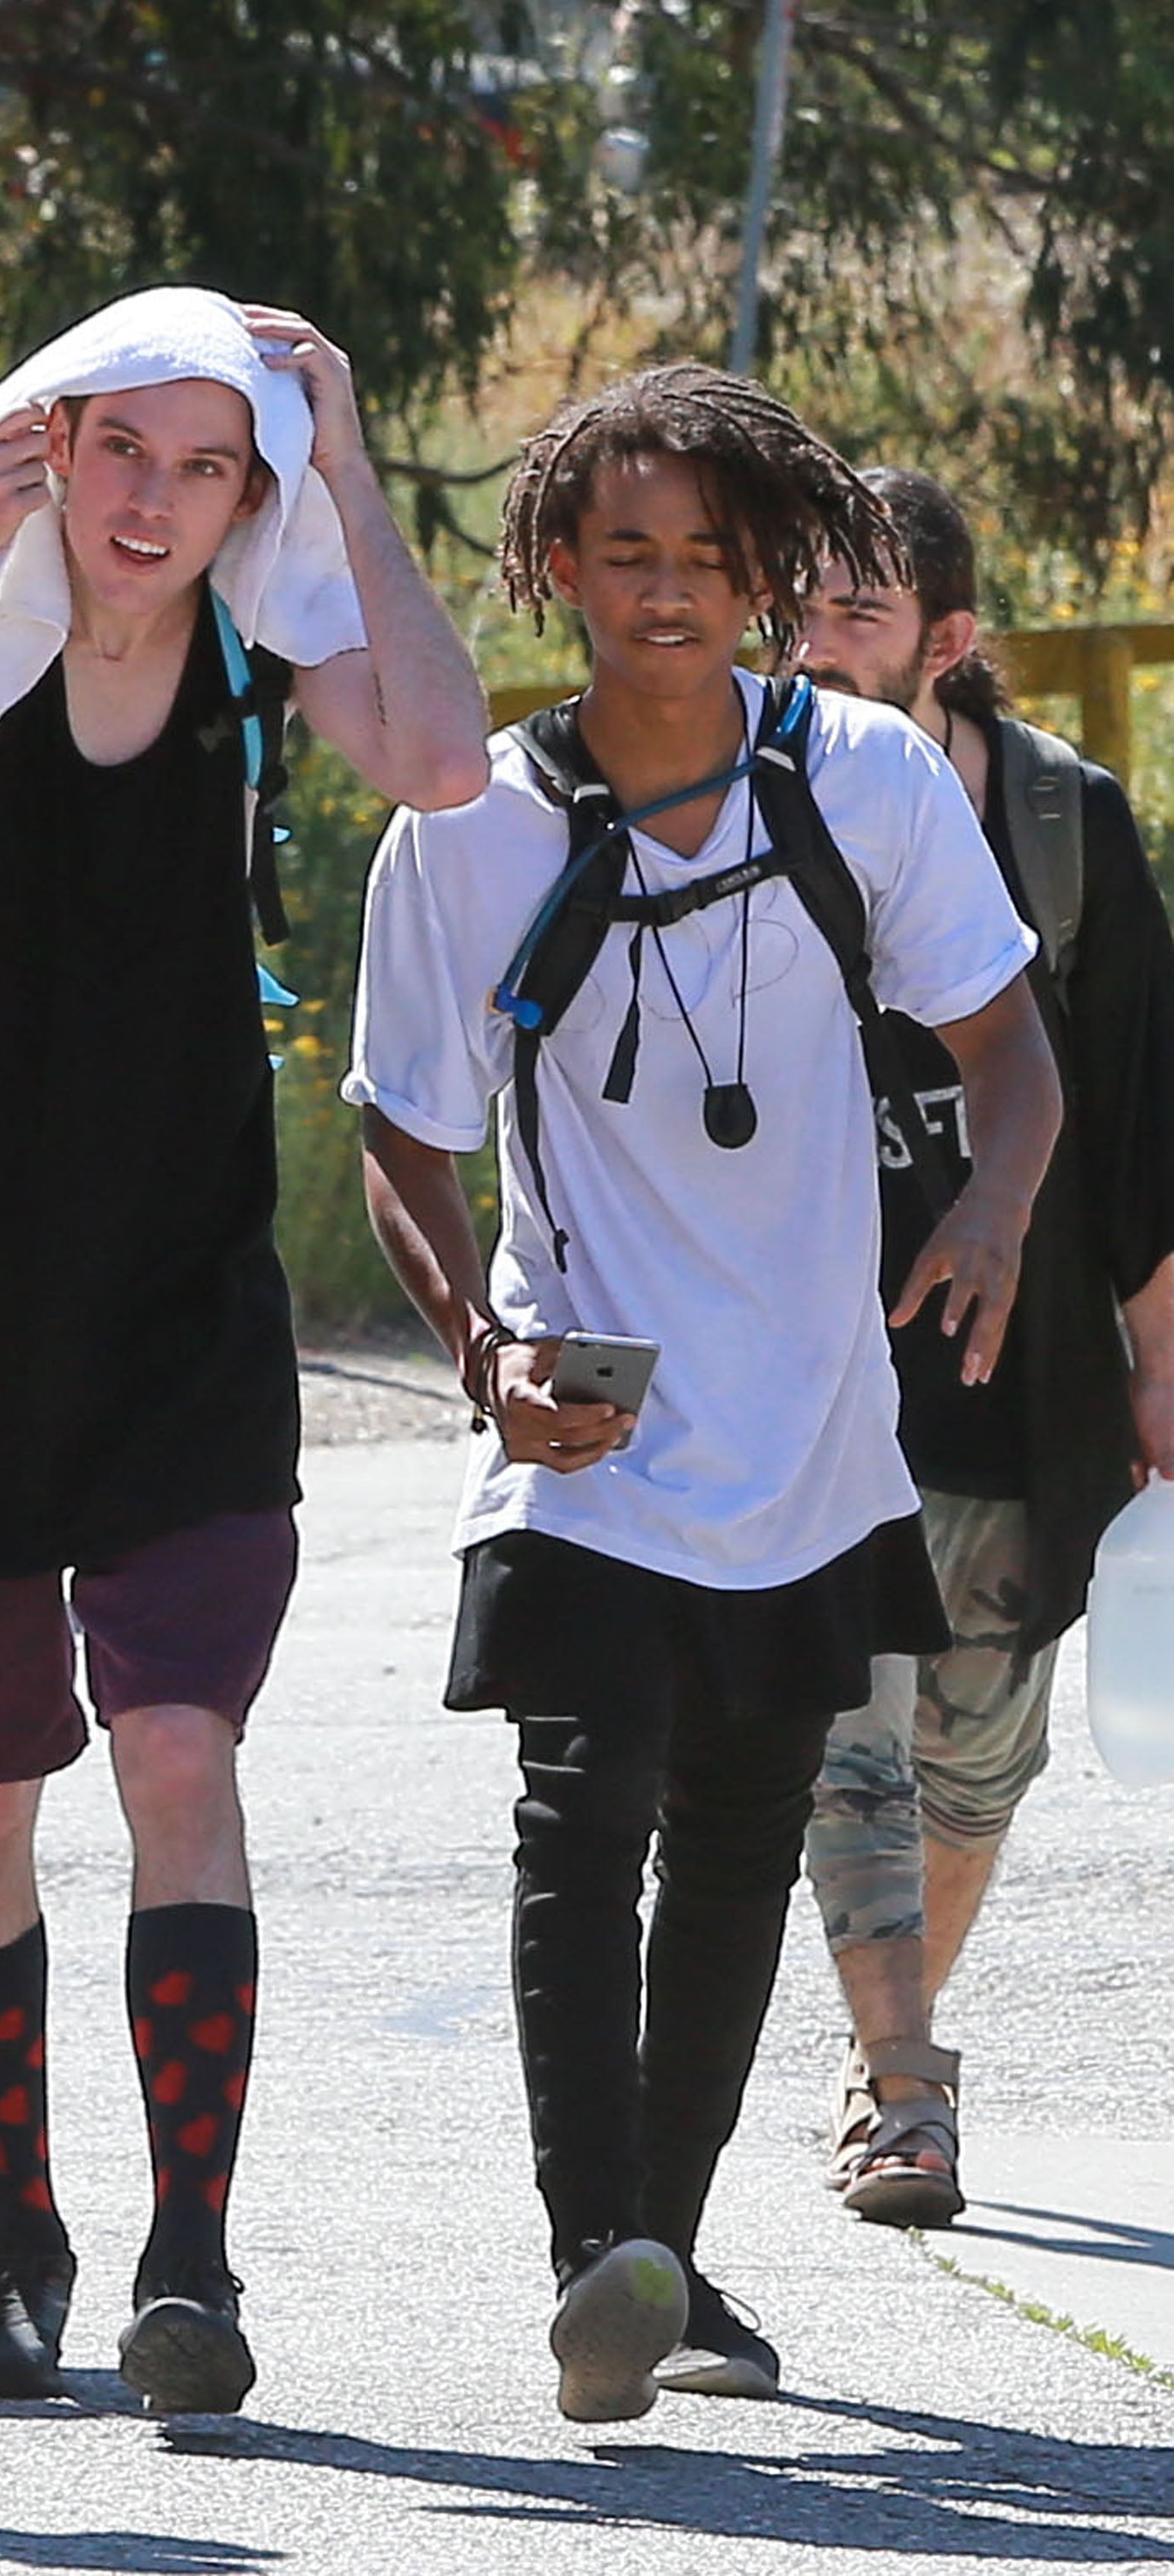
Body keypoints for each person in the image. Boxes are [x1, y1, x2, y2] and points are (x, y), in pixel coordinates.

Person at [0, 285, 489, 2415]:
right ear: (46, 442)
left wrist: (342, 470)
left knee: (179, 1749)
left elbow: (439, 759)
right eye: (122, 450)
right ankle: (14, 2244)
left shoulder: (267, 632)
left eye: (208, 463)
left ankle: (191, 2256)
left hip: (177, 1307)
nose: (158, 500)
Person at [349, 366, 1059, 2421]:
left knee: (745, 1829)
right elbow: (403, 1132)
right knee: (582, 1813)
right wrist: (480, 1358)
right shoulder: (471, 826)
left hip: (814, 1424)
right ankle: (601, 2251)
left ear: (764, 577)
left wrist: (997, 1214)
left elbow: (1009, 1055)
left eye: (706, 560)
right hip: (585, 1429)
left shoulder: (858, 778)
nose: (666, 593)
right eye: (626, 553)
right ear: (556, 567)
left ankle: (659, 2254)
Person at [791, 466, 1174, 2227]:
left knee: (968, 1761)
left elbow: (1138, 1125)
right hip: (809, 1369)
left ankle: (892, 2038)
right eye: (792, 604)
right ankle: (901, 2090)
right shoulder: (736, 798)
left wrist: (1160, 1362)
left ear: (948, 643)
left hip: (1019, 1384)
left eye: (855, 613)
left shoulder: (1058, 824)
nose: (811, 641)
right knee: (846, 1747)